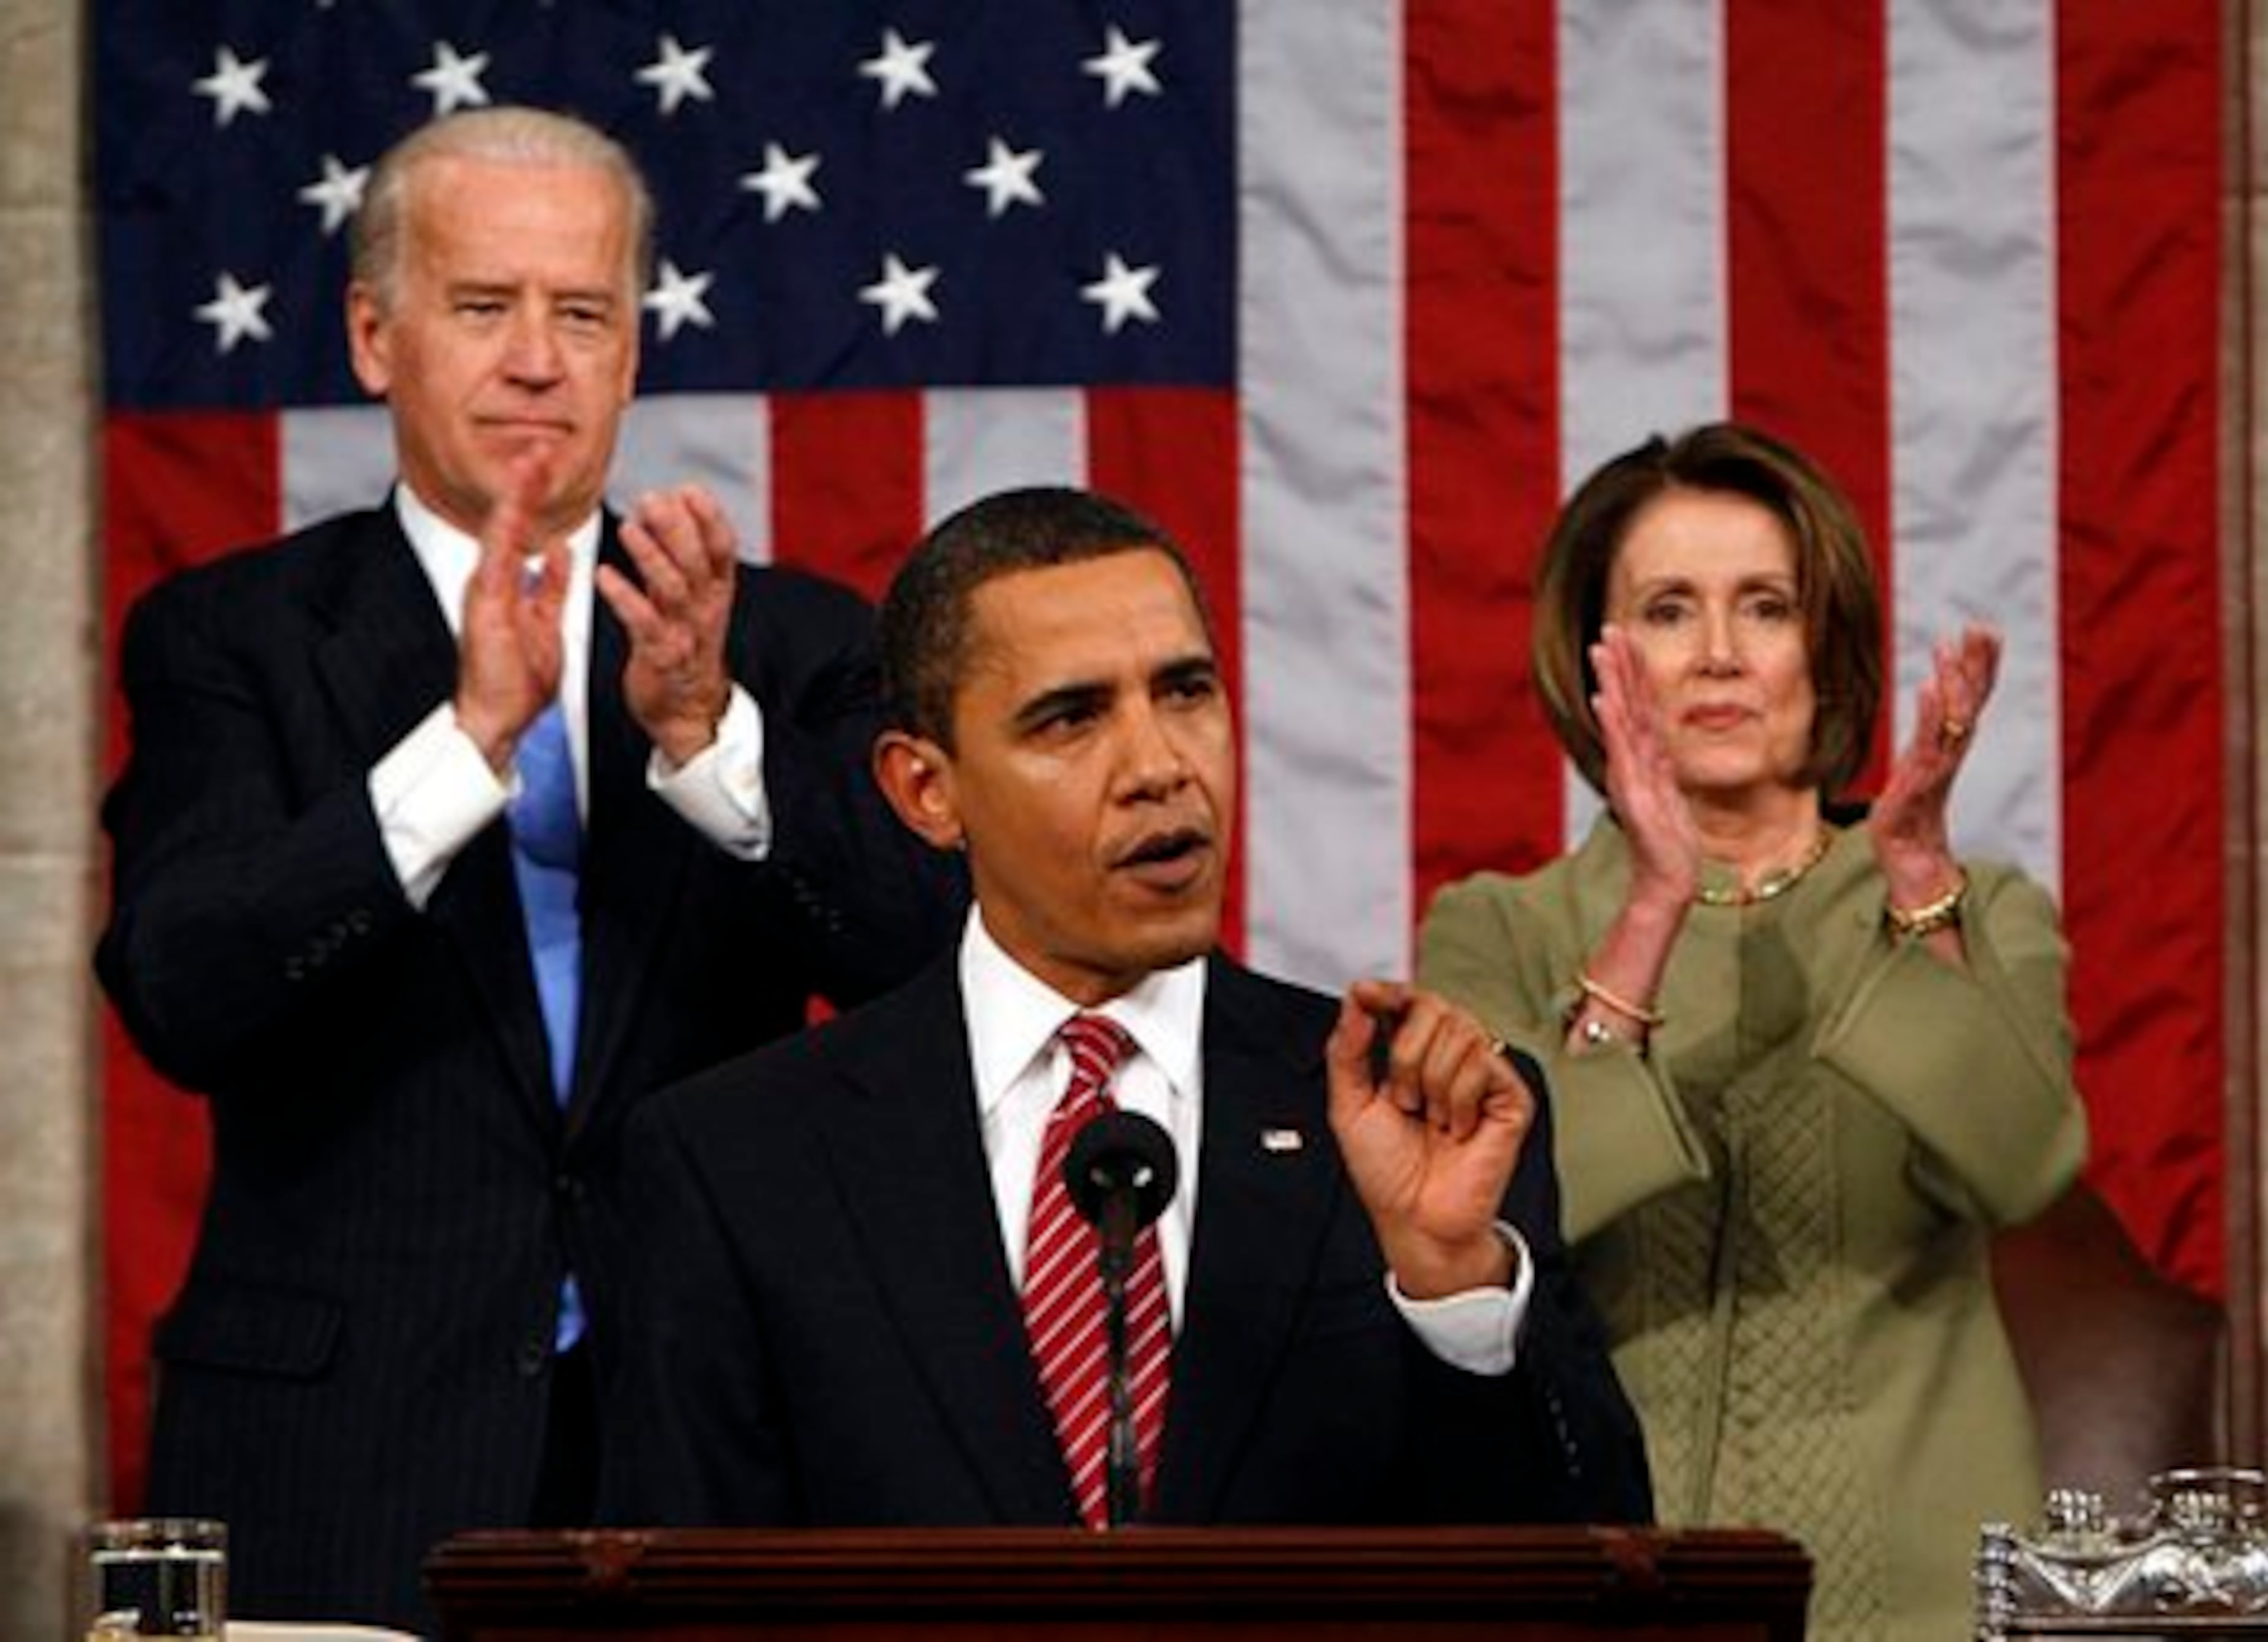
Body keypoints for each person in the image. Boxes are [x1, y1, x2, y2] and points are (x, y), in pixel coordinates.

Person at [95, 107, 963, 1633]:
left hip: (711, 1435)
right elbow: (181, 988)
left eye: (584, 313)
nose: (539, 358)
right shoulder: (228, 638)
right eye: (485, 307)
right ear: (375, 337)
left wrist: (708, 746)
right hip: (344, 1451)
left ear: (633, 352)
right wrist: (465, 746)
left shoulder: (792, 646)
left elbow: (930, 968)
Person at [601, 486, 1653, 1531]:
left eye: (1187, 692)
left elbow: (1590, 1577)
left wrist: (1453, 1288)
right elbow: (688, 1604)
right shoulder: (740, 1164)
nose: (1160, 767)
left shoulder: (1414, 1117)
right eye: (1071, 717)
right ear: (927, 789)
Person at [1416, 422, 2087, 1642]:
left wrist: (1917, 881)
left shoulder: (1970, 904)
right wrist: (1653, 907)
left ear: (1823, 650)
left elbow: (2022, 1158)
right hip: (1598, 1585)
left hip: (1926, 1594)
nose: (1720, 654)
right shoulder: (1497, 929)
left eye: (1766, 607)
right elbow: (1498, 1215)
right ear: (1597, 657)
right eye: (1671, 610)